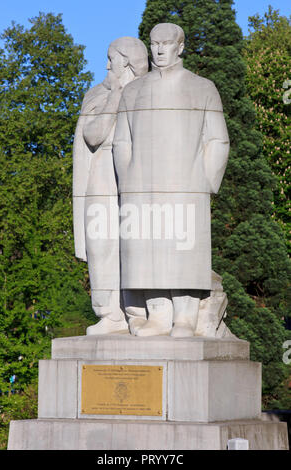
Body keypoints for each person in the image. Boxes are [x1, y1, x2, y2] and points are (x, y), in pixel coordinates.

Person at [113, 23, 230, 337]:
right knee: (147, 251)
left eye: (167, 43)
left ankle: (185, 318)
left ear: (180, 46)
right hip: (141, 186)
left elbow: (218, 140)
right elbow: (122, 142)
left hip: (187, 183)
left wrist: (204, 182)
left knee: (183, 252)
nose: (160, 49)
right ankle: (159, 316)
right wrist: (128, 181)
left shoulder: (202, 87)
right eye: (154, 43)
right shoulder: (133, 91)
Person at [73, 37, 148, 335]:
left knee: (139, 243)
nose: (106, 65)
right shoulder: (97, 94)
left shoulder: (149, 91)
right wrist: (116, 95)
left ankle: (140, 311)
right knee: (102, 242)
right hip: (103, 172)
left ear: (126, 61)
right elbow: (93, 135)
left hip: (140, 173)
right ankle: (109, 314)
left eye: (110, 58)